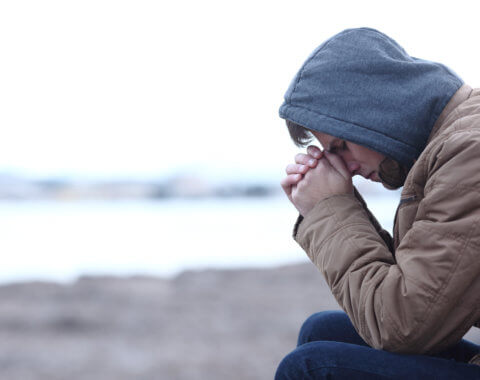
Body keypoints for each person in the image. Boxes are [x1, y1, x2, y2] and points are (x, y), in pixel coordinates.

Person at [275, 27, 480, 379]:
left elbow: (403, 324)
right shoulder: (450, 143)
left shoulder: (468, 151)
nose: (346, 168)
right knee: (322, 330)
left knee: (310, 368)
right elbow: (423, 292)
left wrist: (331, 209)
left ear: (374, 113)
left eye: (341, 146)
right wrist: (335, 206)